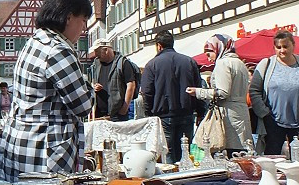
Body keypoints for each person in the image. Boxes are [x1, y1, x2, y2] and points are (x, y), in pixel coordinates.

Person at [0, 0, 94, 182]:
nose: (83, 29)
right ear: (69, 17)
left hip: (21, 141)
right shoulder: (58, 49)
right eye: (83, 21)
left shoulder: (35, 41)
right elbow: (83, 106)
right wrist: (89, 87)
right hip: (45, 148)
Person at [139, 31, 205, 164]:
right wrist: (200, 112)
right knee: (185, 152)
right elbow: (198, 88)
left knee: (167, 152)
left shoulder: (152, 65)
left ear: (158, 46)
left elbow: (147, 92)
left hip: (163, 114)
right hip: (187, 112)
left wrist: (149, 113)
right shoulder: (189, 61)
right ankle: (186, 181)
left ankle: (171, 182)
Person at [187, 34, 253, 154]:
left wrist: (198, 92)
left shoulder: (223, 63)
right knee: (241, 154)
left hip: (228, 116)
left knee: (227, 155)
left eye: (209, 53)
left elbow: (222, 92)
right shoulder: (240, 63)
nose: (208, 58)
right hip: (241, 113)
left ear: (219, 48)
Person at [249, 31, 299, 156]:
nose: (282, 50)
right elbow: (254, 90)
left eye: (286, 46)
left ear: (293, 45)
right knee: (272, 158)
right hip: (273, 121)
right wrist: (264, 112)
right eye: (278, 47)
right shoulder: (266, 64)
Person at [88, 40, 138, 121]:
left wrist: (124, 109)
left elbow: (131, 85)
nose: (95, 55)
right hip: (99, 115)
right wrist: (95, 87)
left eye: (97, 51)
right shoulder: (96, 64)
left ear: (106, 50)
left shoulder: (123, 63)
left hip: (117, 115)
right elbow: (93, 81)